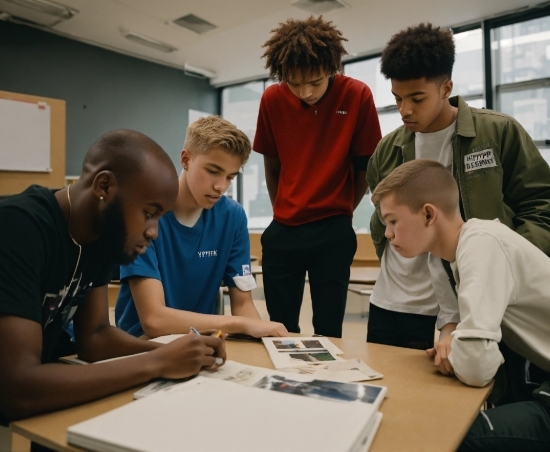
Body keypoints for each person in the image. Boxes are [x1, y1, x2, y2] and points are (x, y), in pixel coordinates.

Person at [0, 129, 226, 424]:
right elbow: (16, 390)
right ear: (104, 185)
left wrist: (179, 353)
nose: (153, 232)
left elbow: (95, 338)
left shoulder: (100, 237)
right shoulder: (18, 227)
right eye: (149, 213)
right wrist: (157, 361)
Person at [366, 22, 550, 350]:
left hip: (472, 304)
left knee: (474, 394)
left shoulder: (497, 133)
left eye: (417, 98)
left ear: (446, 87)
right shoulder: (387, 149)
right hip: (395, 303)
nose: (405, 110)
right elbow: (382, 218)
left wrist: (499, 277)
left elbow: (541, 206)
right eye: (397, 99)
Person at [371, 159, 550, 451]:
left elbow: (478, 367)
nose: (388, 234)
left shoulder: (482, 245)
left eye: (393, 221)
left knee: (455, 436)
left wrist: (460, 349)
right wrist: (456, 342)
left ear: (429, 214)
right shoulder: (442, 257)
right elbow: (461, 337)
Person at [253, 16, 382, 338]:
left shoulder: (357, 95)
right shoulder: (272, 98)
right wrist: (281, 208)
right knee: (280, 330)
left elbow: (364, 167)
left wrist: (341, 210)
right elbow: (272, 164)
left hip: (333, 229)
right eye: (294, 84)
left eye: (315, 81)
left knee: (328, 330)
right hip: (283, 229)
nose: (305, 92)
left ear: (332, 68)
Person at [115, 116, 287, 338]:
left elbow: (243, 305)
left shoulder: (232, 216)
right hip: (142, 346)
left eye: (230, 177)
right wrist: (240, 325)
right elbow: (154, 321)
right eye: (213, 171)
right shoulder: (143, 212)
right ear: (186, 159)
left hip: (202, 345)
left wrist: (268, 341)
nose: (220, 186)